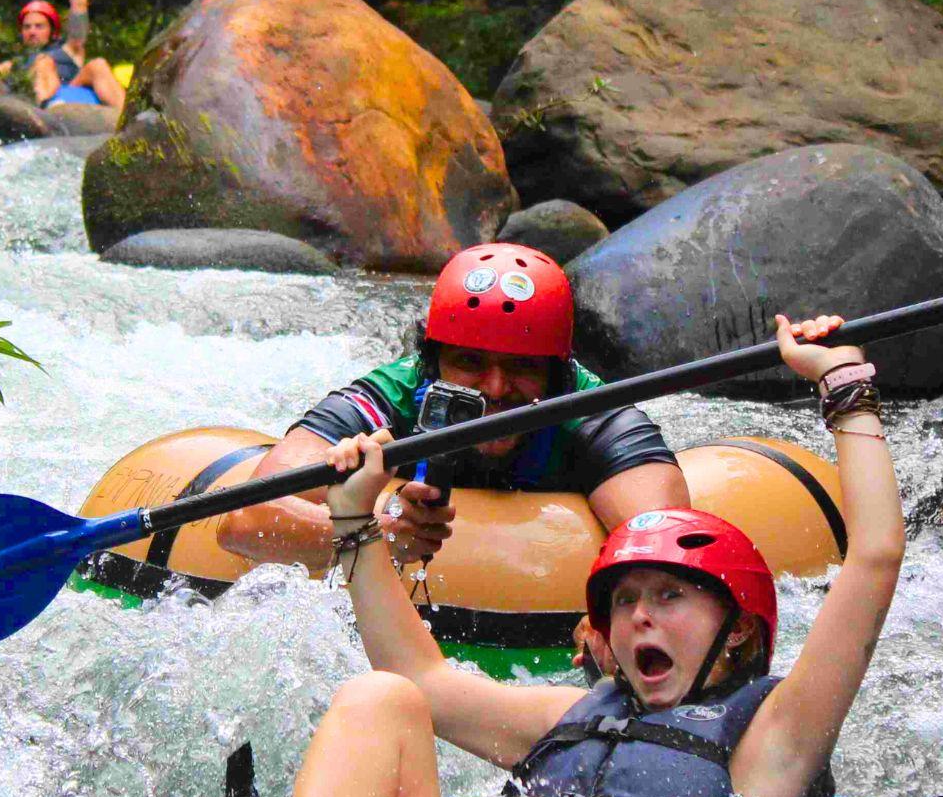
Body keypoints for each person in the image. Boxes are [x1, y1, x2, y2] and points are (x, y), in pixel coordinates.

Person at [186, 314, 904, 797]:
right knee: (381, 698)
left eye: (669, 598)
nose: (639, 620)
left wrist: (845, 385)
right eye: (624, 601)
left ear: (741, 630)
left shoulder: (774, 740)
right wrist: (356, 526)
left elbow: (874, 558)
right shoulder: (575, 712)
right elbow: (416, 673)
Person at [219, 242, 691, 578]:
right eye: (470, 362)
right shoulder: (389, 397)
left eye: (523, 366)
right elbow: (244, 523)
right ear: (432, 362)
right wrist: (377, 533)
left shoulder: (594, 414)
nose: (495, 388)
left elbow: (666, 546)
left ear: (557, 373)